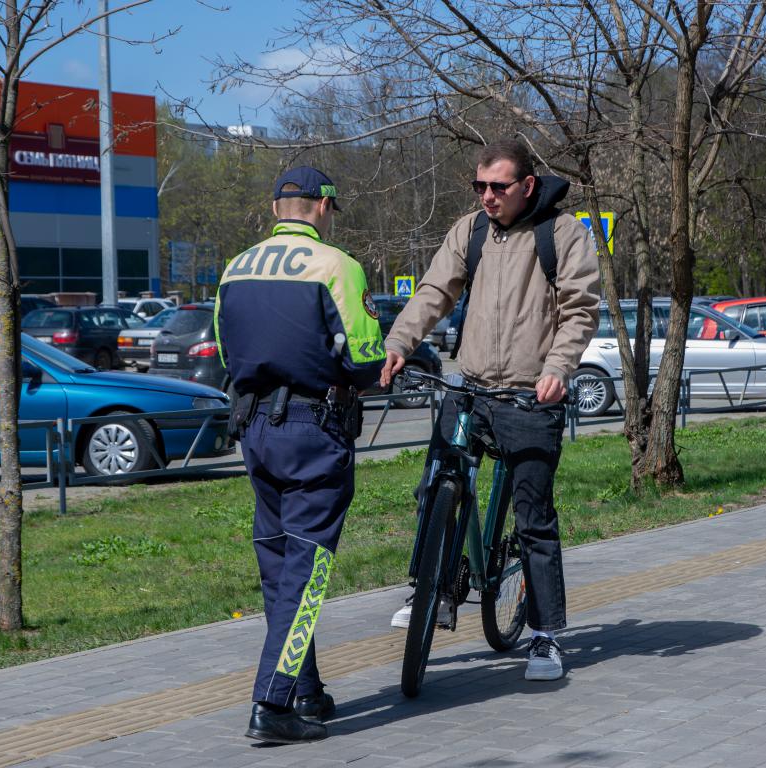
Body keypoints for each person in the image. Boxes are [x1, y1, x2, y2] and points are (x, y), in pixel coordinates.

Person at [380, 139, 601, 681]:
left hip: (531, 395)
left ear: (527, 185)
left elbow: (580, 309)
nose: (486, 196)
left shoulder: (561, 234)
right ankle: (435, 589)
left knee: (534, 518)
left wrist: (559, 368)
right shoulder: (471, 230)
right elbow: (435, 289)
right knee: (436, 485)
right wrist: (400, 342)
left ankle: (546, 636)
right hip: (472, 388)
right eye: (479, 186)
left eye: (497, 187)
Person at [215, 166, 385, 744]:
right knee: (308, 570)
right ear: (323, 207)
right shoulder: (336, 266)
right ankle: (272, 702)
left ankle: (306, 691)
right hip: (314, 428)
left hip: (256, 428)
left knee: (279, 565)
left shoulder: (235, 269)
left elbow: (223, 348)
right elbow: (365, 359)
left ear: (273, 210)